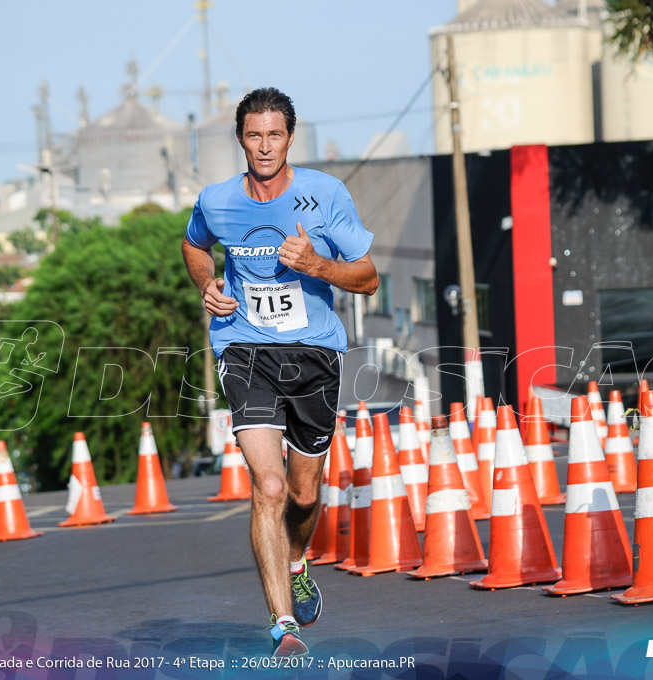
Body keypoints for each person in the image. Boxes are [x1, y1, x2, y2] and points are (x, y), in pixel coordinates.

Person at [181, 87, 378, 657]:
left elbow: (367, 277)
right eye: (253, 135)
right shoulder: (216, 200)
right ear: (240, 138)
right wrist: (207, 284)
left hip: (314, 352)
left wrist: (316, 264)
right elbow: (195, 245)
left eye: (274, 135)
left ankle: (297, 561)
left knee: (304, 492)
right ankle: (283, 627)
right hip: (244, 348)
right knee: (268, 487)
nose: (264, 146)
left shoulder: (325, 194)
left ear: (291, 138)